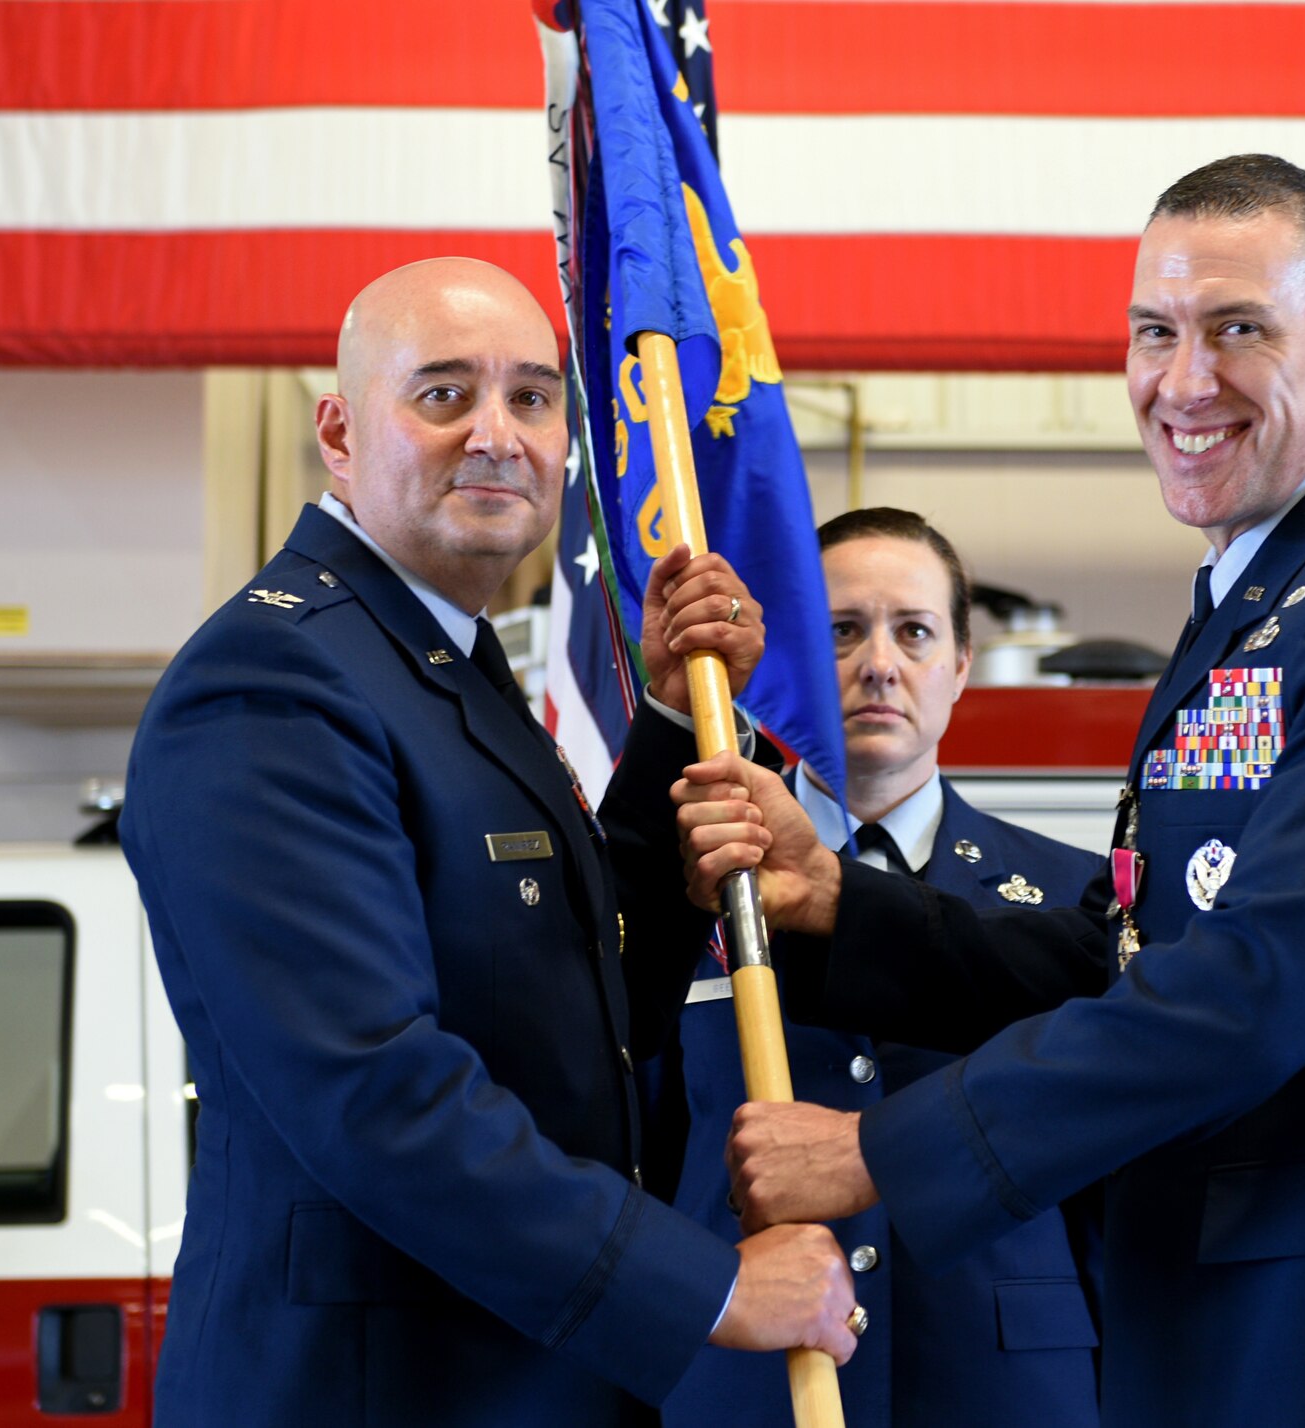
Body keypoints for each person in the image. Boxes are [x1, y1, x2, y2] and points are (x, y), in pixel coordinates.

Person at [674, 156, 1305, 1427]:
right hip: (1220, 1334)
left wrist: (876, 1151)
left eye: (1238, 330)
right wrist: (835, 904)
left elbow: (1252, 989)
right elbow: (1132, 950)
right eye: (1153, 332)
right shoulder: (1253, 603)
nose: (1182, 382)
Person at [121, 257, 858, 1428]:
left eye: (532, 396)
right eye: (442, 393)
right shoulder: (275, 681)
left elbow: (579, 982)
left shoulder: (432, 660)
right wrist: (703, 1283)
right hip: (374, 1392)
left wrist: (669, 726)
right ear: (338, 431)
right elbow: (374, 1090)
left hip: (514, 1374)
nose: (498, 435)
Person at [654, 509, 1104, 1428]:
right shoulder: (686, 886)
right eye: (843, 630)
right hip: (745, 1381)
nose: (880, 663)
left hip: (1006, 1378)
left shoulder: (1075, 897)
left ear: (962, 664)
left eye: (914, 631)